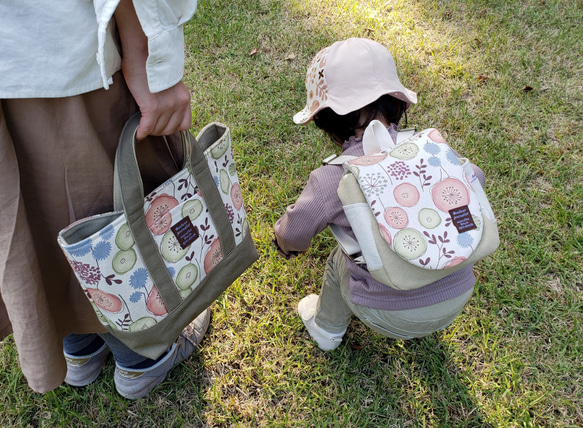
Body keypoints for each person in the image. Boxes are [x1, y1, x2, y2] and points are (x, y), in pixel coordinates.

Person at [0, 0, 210, 399]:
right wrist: (145, 51)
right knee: (102, 211)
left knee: (33, 217)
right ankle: (142, 357)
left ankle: (79, 347)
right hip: (65, 53)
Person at [273, 38, 484, 351]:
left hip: (388, 314)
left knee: (338, 261)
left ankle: (326, 329)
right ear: (398, 104)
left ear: (322, 120)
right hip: (458, 294)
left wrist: (284, 242)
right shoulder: (433, 149)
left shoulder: (334, 176)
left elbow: (297, 227)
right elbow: (474, 178)